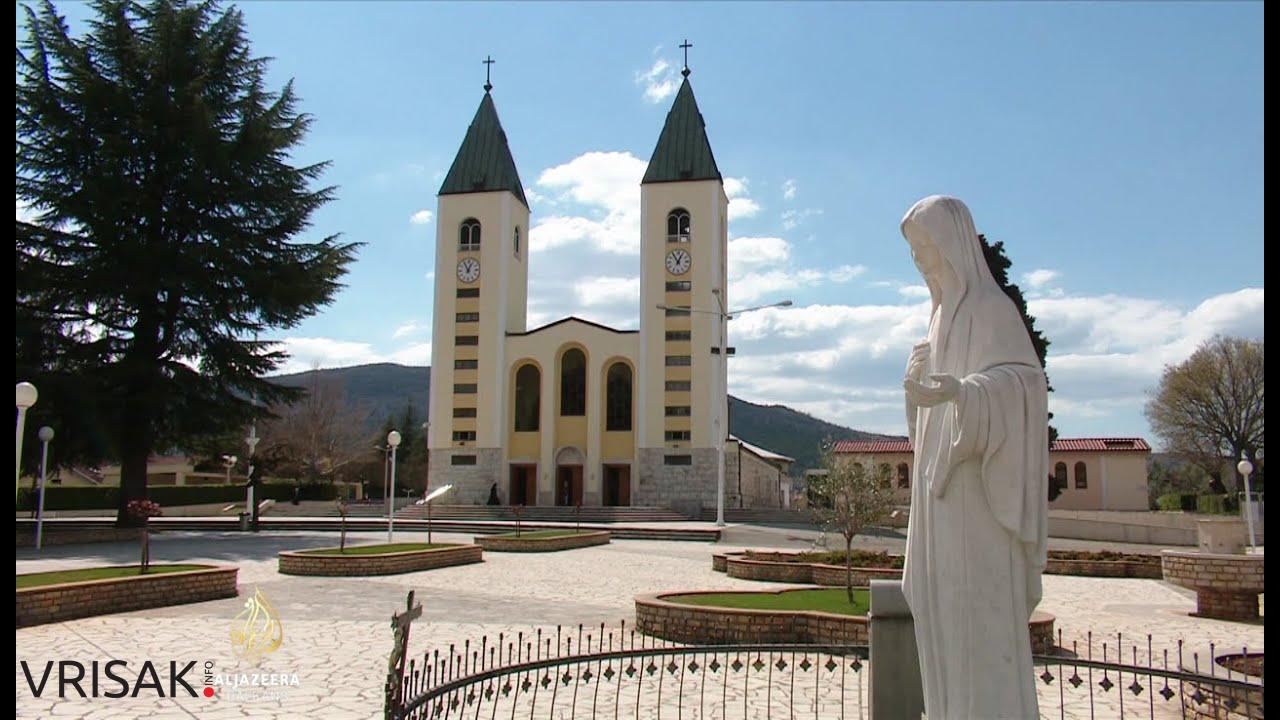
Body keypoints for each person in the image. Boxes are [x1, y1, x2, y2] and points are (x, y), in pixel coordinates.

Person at [899, 195, 1049, 719]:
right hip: (940, 501)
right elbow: (924, 424)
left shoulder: (991, 310)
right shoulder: (938, 321)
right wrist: (916, 392)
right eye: (914, 251)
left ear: (952, 244)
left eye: (926, 247)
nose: (921, 260)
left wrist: (965, 394)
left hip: (978, 503)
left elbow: (1025, 386)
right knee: (940, 614)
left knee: (977, 621)